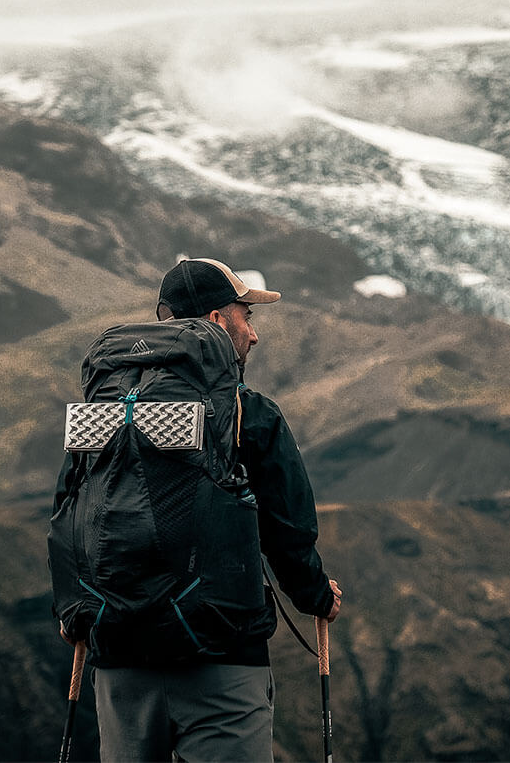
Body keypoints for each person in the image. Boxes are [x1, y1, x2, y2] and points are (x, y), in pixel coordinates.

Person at [71, 257, 342, 762]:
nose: (253, 335)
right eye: (247, 316)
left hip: (119, 657)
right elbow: (289, 527)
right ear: (218, 320)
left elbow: (70, 513)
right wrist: (314, 595)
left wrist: (74, 610)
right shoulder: (247, 412)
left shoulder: (106, 412)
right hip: (221, 658)